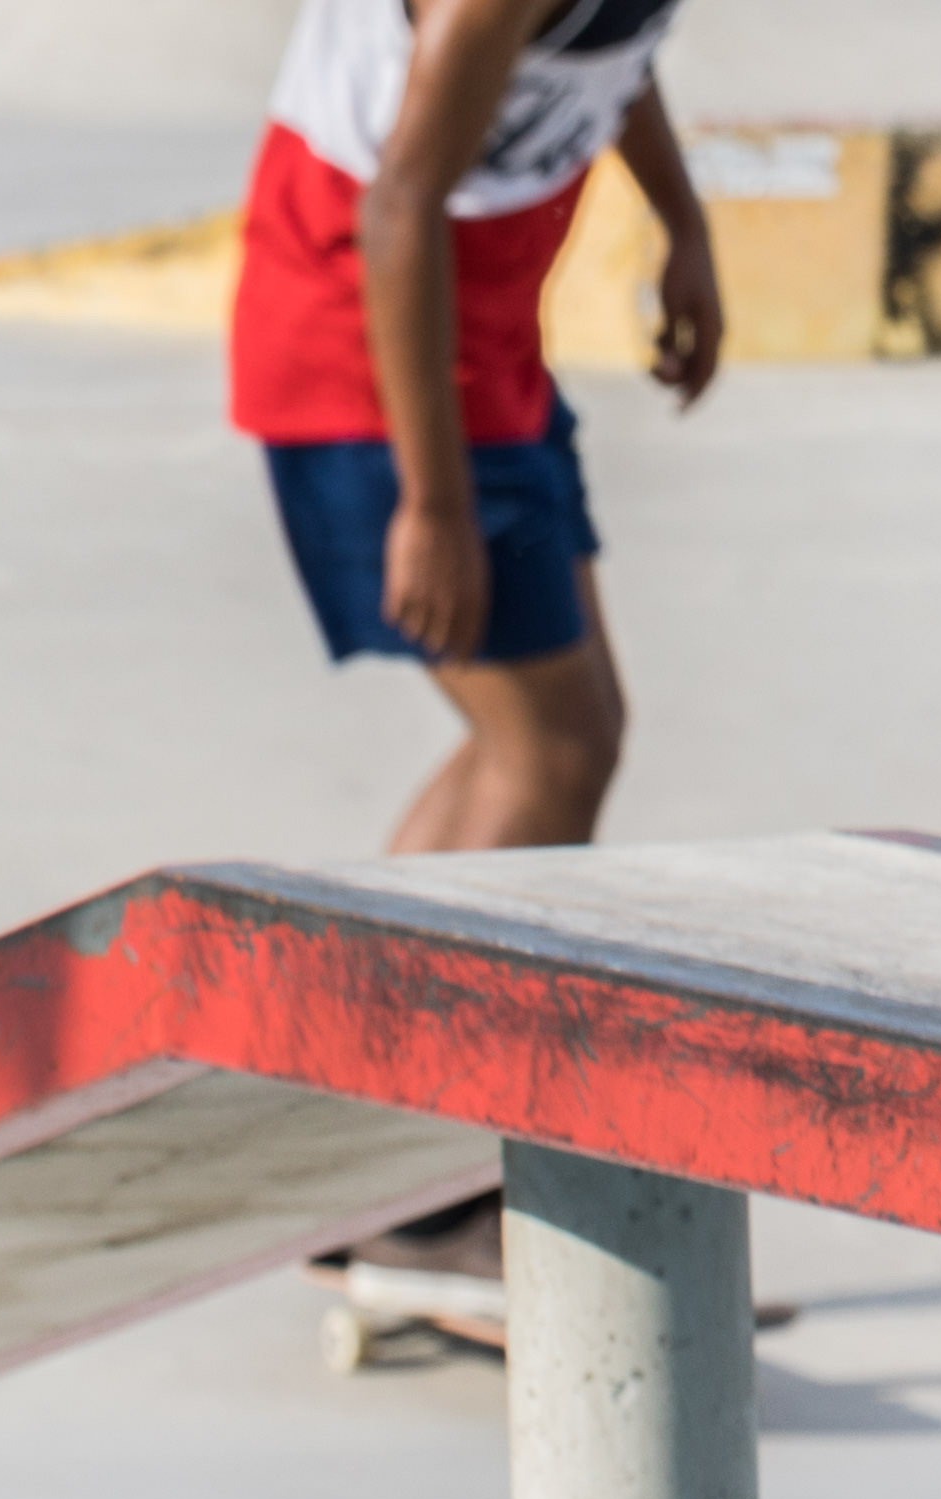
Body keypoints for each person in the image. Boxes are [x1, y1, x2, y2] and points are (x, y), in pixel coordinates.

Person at [232, 0, 728, 1331]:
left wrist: (681, 225)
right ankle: (417, 1197)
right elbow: (398, 203)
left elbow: (614, 60)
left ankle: (361, 1155)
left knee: (559, 739)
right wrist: (435, 502)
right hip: (369, 354)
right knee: (553, 747)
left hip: (484, 347)